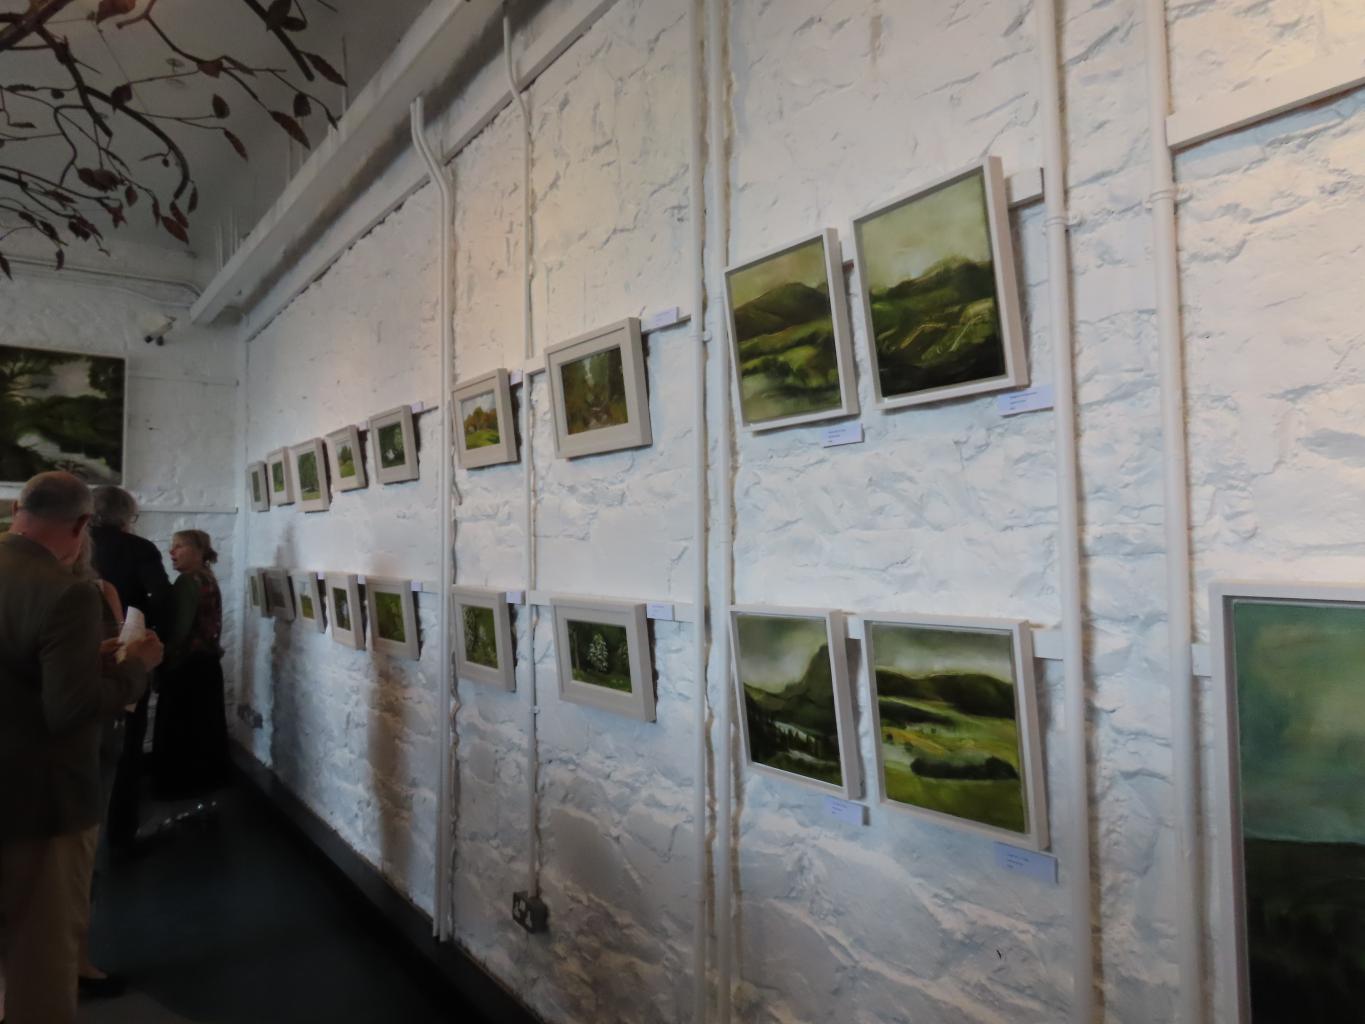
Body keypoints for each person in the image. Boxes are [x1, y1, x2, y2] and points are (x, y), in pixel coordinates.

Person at [0, 472, 163, 1024]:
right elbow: (69, 712)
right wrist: (135, 669)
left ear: (18, 509)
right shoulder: (67, 590)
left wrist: (81, 661)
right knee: (41, 956)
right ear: (81, 524)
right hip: (41, 800)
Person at [89, 486, 171, 852]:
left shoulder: (77, 545)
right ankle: (122, 833)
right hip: (127, 650)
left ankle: (84, 839)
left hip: (79, 652)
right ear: (125, 516)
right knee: (128, 743)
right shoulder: (138, 548)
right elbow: (161, 597)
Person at [153, 530, 227, 799]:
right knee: (204, 727)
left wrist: (162, 662)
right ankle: (204, 784)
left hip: (186, 667)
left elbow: (179, 631)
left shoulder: (187, 582)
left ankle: (178, 786)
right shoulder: (208, 578)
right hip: (207, 665)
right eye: (171, 546)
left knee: (180, 729)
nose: (171, 552)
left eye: (179, 546)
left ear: (198, 551)